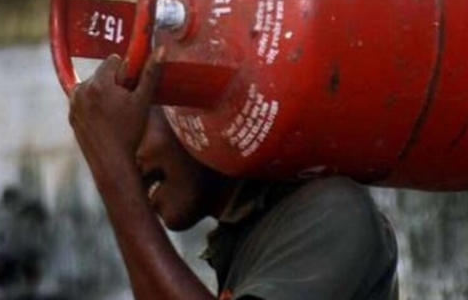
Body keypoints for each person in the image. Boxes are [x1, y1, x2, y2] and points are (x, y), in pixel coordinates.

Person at [67, 48, 399, 300]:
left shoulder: (332, 212)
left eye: (130, 130)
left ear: (191, 107)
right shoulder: (246, 237)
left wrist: (114, 171)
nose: (126, 157)